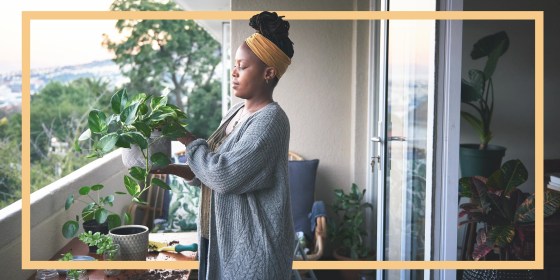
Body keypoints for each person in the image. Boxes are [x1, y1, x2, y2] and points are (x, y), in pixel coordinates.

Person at [153, 11, 295, 279]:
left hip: (254, 249)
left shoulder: (271, 120)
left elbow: (224, 175)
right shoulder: (235, 112)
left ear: (268, 72)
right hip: (220, 239)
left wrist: (186, 138)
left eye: (242, 66)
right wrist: (170, 168)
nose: (233, 72)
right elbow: (210, 170)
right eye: (235, 65)